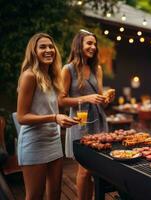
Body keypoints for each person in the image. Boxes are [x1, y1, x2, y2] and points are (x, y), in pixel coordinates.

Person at [17, 33, 78, 200]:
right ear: (33, 51)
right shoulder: (30, 76)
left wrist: (63, 119)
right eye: (42, 47)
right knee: (35, 196)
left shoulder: (52, 77)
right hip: (34, 143)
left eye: (51, 46)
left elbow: (49, 108)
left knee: (55, 194)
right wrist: (54, 118)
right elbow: (22, 117)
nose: (48, 50)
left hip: (53, 140)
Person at [58, 29, 113, 200]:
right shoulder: (68, 70)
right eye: (89, 43)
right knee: (84, 169)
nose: (93, 47)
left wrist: (107, 97)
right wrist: (87, 98)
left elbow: (100, 97)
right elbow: (61, 100)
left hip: (99, 121)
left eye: (94, 44)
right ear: (78, 45)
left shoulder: (96, 68)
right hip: (80, 121)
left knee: (96, 168)